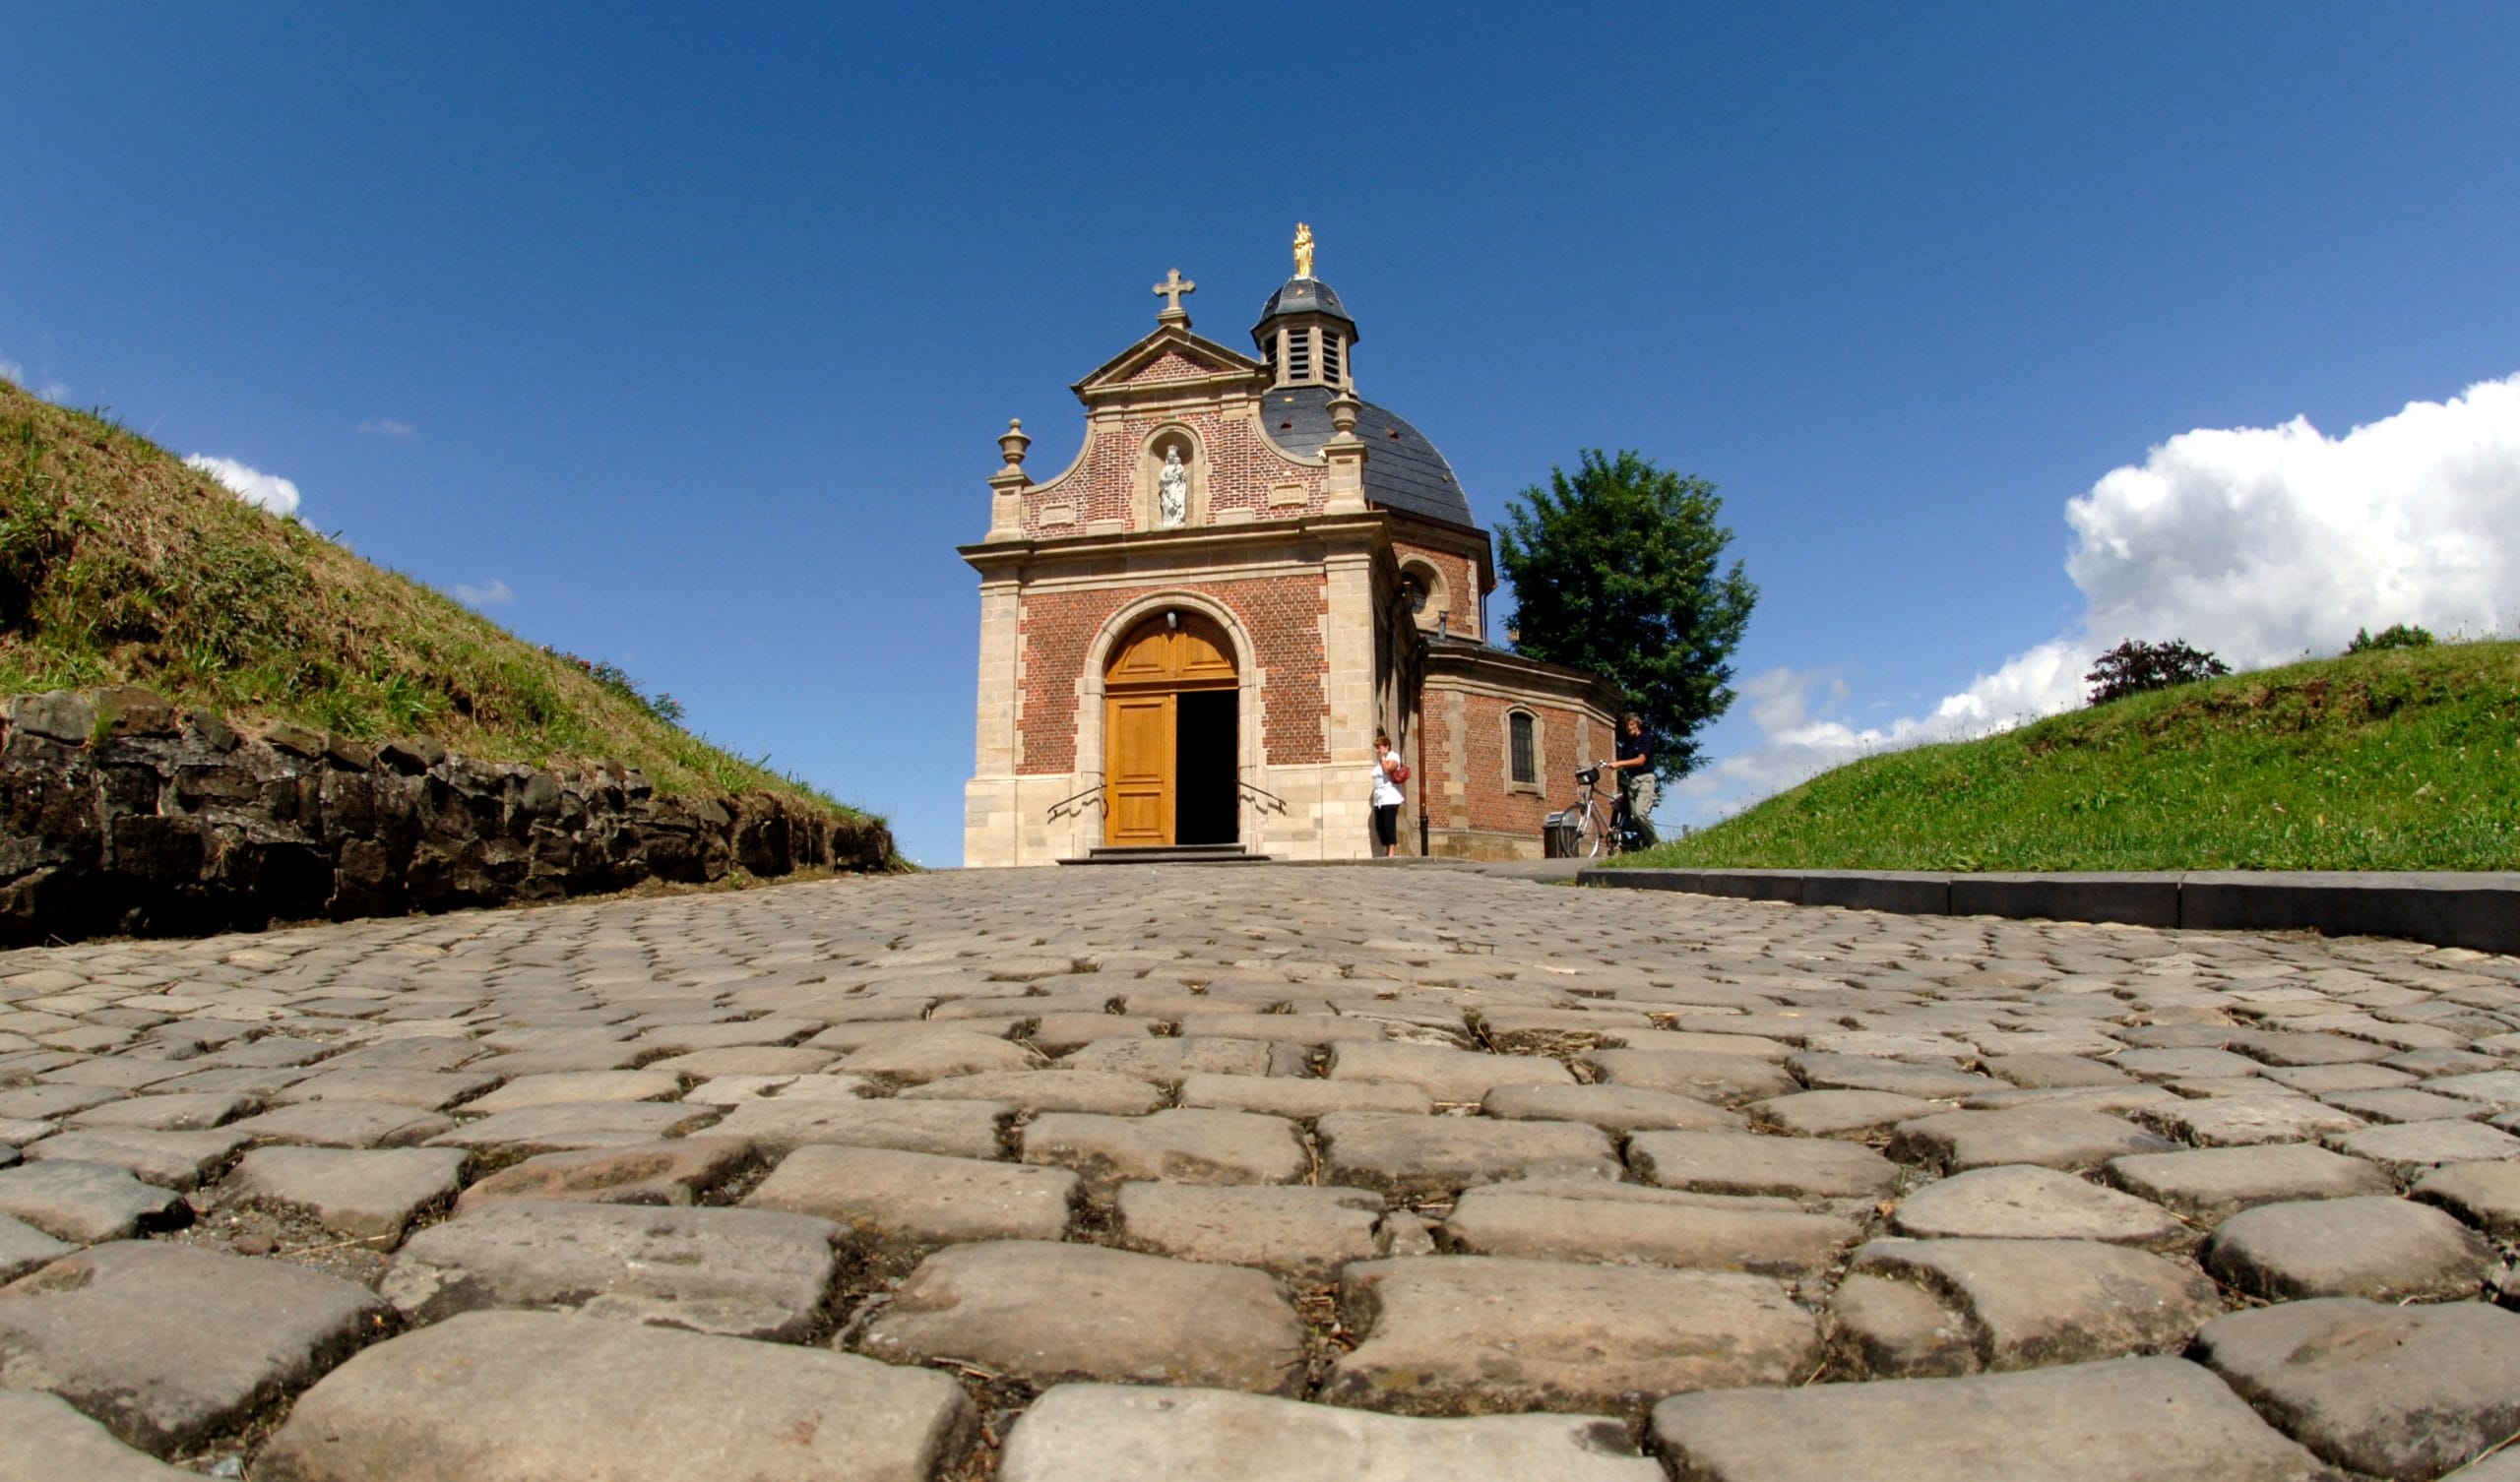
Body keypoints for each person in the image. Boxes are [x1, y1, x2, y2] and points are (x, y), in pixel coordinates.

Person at [1608, 711, 1658, 850]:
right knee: (1634, 817)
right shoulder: (1627, 745)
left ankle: (1655, 843)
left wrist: (1620, 764)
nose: (1629, 728)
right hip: (1632, 781)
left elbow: (1640, 760)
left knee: (1640, 813)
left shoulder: (1645, 739)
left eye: (1632, 724)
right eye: (1627, 726)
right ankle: (1645, 846)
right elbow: (1620, 761)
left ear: (1637, 725)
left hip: (1645, 779)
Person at [1368, 728, 1405, 857]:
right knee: (1380, 825)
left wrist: (1384, 756)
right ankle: (1387, 848)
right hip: (1379, 799)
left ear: (1386, 746)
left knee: (1389, 824)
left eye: (1379, 747)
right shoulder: (1379, 762)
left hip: (1390, 796)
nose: (1378, 750)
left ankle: (1391, 851)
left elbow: (1388, 769)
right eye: (1377, 748)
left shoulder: (1393, 756)